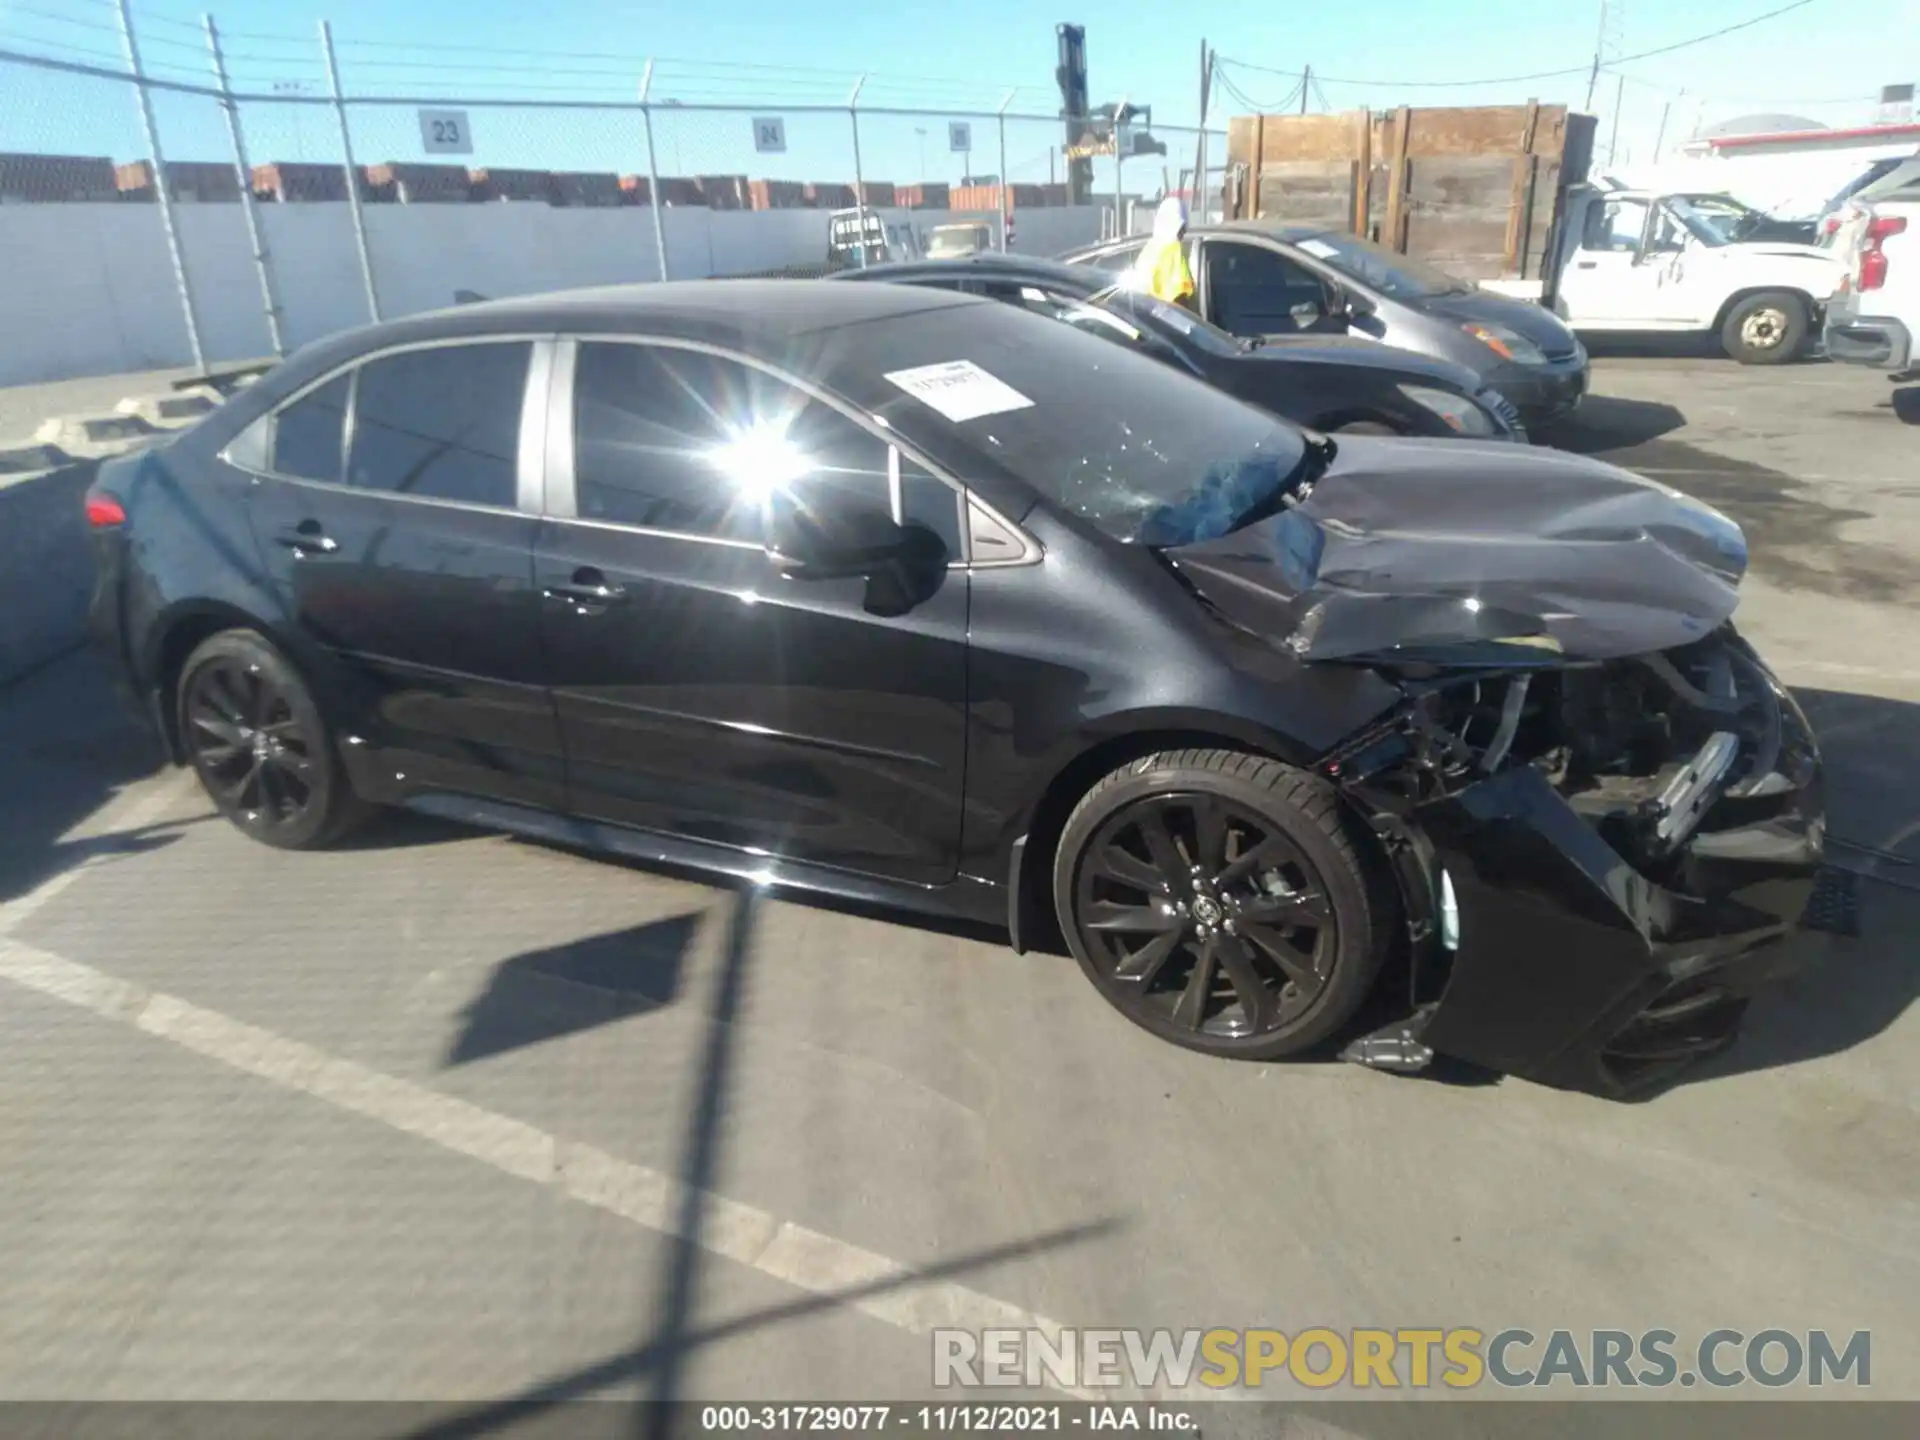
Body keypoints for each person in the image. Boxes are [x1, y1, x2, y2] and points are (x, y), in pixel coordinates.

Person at [1127, 196, 1196, 307]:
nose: (1184, 233)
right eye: (1183, 227)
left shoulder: (1149, 249)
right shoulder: (1174, 251)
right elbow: (1179, 299)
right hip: (1167, 319)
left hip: (1147, 316)